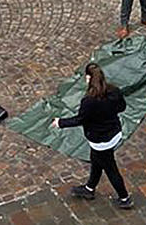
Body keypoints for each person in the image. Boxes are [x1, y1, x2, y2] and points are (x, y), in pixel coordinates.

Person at [52, 63, 134, 209]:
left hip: (100, 140)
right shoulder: (114, 91)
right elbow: (122, 107)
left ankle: (124, 198)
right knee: (96, 160)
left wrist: (60, 122)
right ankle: (89, 189)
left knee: (110, 168)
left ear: (89, 78)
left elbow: (80, 119)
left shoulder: (88, 101)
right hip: (113, 133)